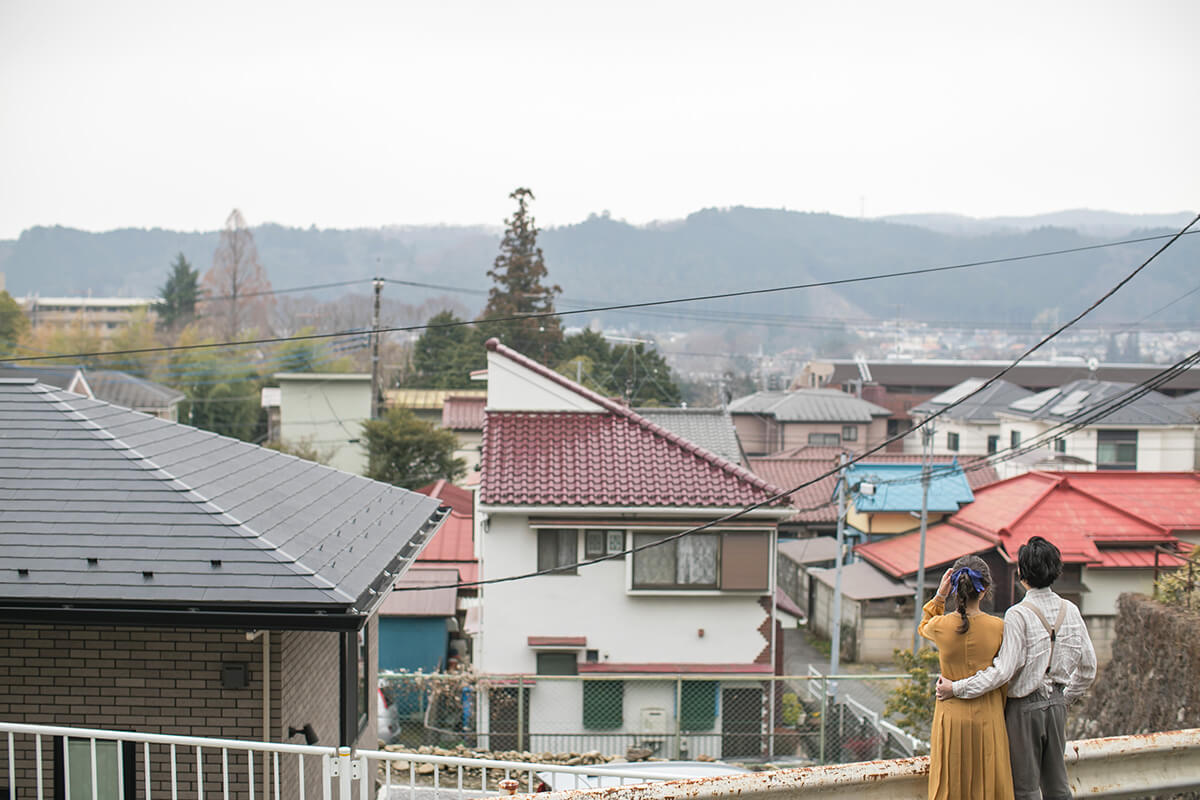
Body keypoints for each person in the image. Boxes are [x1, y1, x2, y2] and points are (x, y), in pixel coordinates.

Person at [936, 536, 1097, 800]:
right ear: (1057, 570)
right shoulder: (1072, 610)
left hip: (1023, 708)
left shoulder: (1017, 614)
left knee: (1025, 789)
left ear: (1021, 573)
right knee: (1058, 787)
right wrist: (1064, 699)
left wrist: (957, 688)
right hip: (1056, 705)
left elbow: (1003, 671)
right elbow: (1088, 668)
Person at [919, 555, 1014, 800]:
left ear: (954, 588)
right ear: (985, 591)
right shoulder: (998, 627)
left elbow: (924, 624)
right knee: (989, 782)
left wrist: (940, 595)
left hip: (951, 717)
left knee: (950, 784)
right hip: (989, 715)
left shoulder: (941, 626)